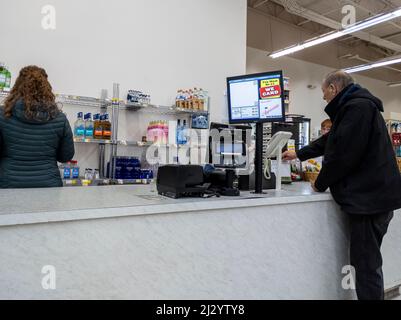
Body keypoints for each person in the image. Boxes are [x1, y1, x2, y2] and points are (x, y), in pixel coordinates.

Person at [283, 70, 401, 300]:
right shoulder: (357, 107)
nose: (323, 97)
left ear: (334, 88)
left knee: (366, 265)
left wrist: (320, 183)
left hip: (370, 201)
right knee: (367, 262)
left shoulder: (357, 108)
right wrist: (299, 153)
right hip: (374, 198)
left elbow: (343, 155)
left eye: (324, 91)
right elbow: (333, 140)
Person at [0, 65, 74, 188]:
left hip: (9, 185)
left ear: (18, 87)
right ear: (46, 88)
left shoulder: (3, 115)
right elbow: (65, 156)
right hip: (48, 187)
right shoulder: (59, 118)